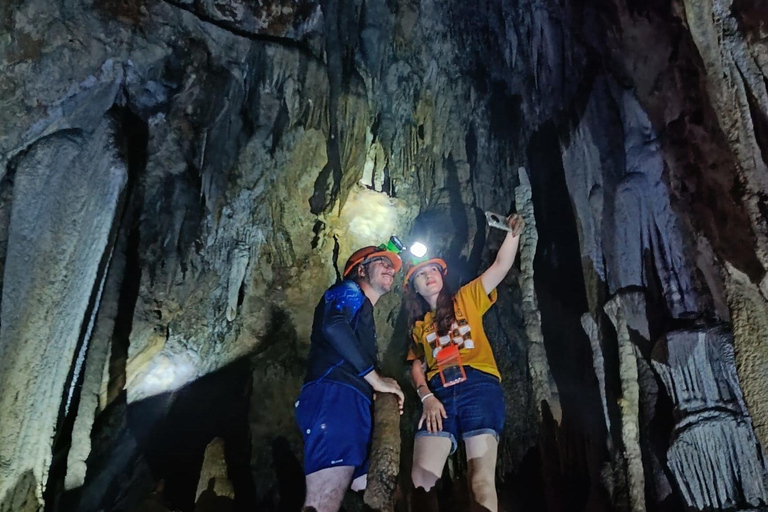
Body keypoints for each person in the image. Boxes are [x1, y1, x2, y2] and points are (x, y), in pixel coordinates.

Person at [405, 214, 524, 512]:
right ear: (415, 288)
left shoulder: (466, 298)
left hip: (478, 387)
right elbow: (416, 365)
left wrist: (513, 233)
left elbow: (500, 266)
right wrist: (426, 396)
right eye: (421, 274)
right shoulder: (419, 326)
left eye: (433, 269)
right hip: (439, 395)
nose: (429, 275)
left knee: (480, 481)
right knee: (421, 480)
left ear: (442, 276)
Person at [295, 245, 406, 512]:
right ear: (360, 269)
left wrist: (375, 393)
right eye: (381, 262)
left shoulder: (362, 311)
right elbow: (334, 326)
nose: (390, 268)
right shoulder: (348, 290)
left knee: (376, 492)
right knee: (323, 500)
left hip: (350, 401)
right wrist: (375, 379)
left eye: (392, 265)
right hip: (335, 396)